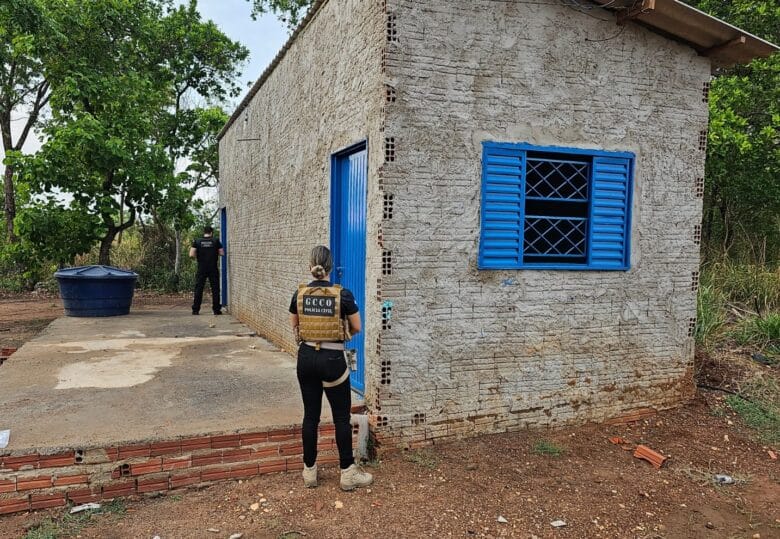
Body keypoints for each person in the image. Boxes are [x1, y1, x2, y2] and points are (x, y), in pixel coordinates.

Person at [289, 245, 373, 491]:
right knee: (340, 418)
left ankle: (309, 473)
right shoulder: (342, 295)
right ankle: (347, 474)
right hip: (333, 360)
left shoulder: (299, 294)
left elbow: (294, 325)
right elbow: (356, 326)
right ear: (329, 267)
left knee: (310, 417)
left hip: (306, 359)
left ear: (310, 266)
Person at [189, 225, 224, 315]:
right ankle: (216, 310)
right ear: (211, 232)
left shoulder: (197, 241)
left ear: (204, 232)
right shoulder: (216, 241)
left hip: (201, 268)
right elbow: (222, 253)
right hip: (213, 268)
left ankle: (195, 310)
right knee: (215, 289)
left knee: (199, 288)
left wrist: (200, 256)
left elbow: (191, 254)